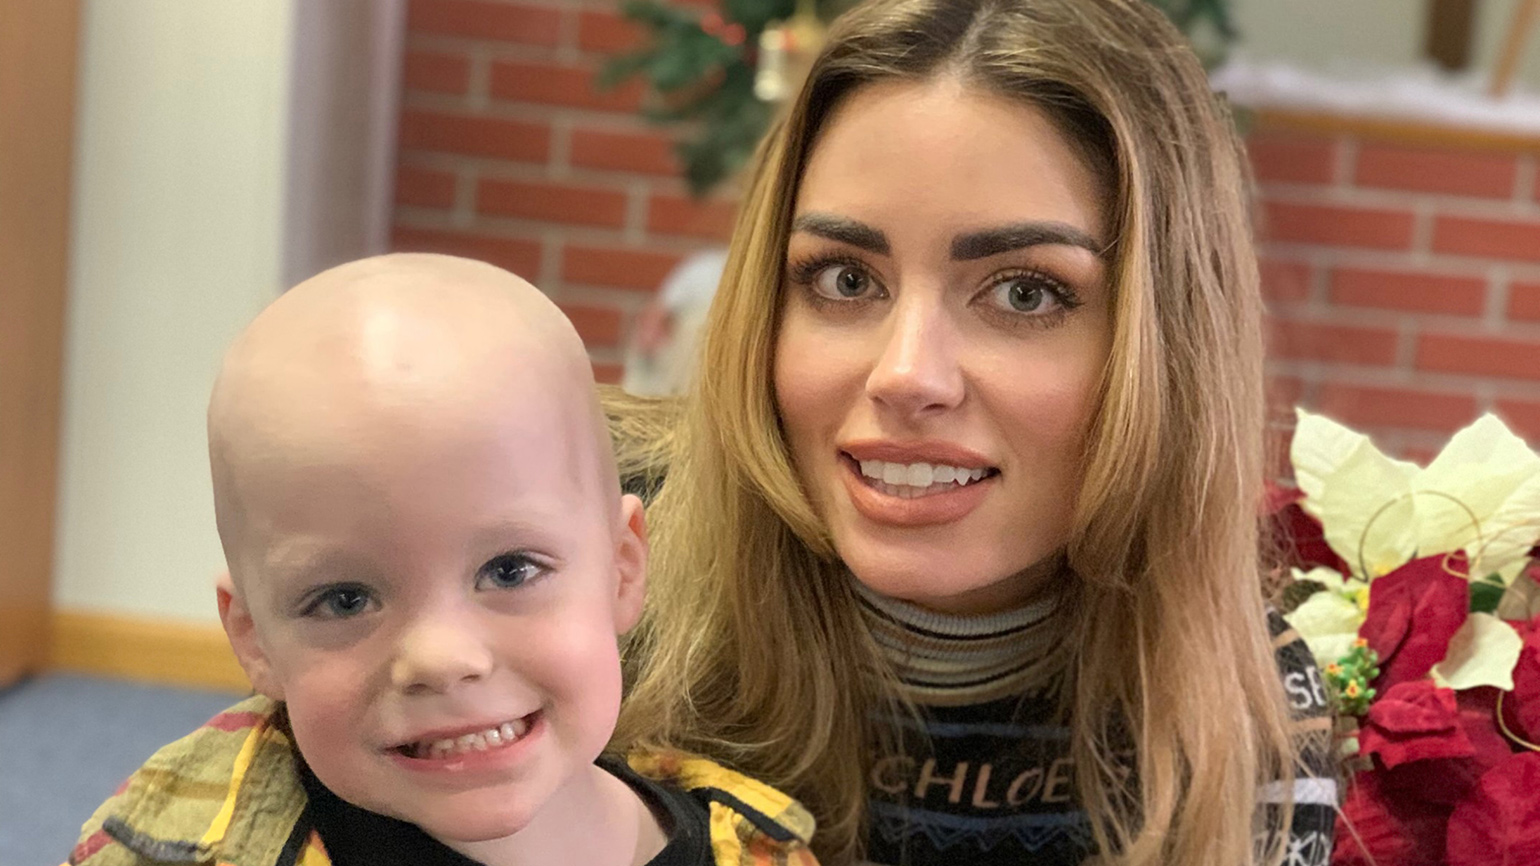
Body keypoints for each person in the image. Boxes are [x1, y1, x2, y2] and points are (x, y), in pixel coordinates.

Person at [609, 1, 1337, 864]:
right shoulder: (588, 584)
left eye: (1025, 293)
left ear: (1171, 343)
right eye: (845, 280)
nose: (906, 375)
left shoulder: (1245, 711)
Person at [66, 254, 818, 866]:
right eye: (345, 599)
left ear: (622, 569)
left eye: (511, 570)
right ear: (254, 637)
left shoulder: (757, 848)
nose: (441, 658)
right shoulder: (173, 844)